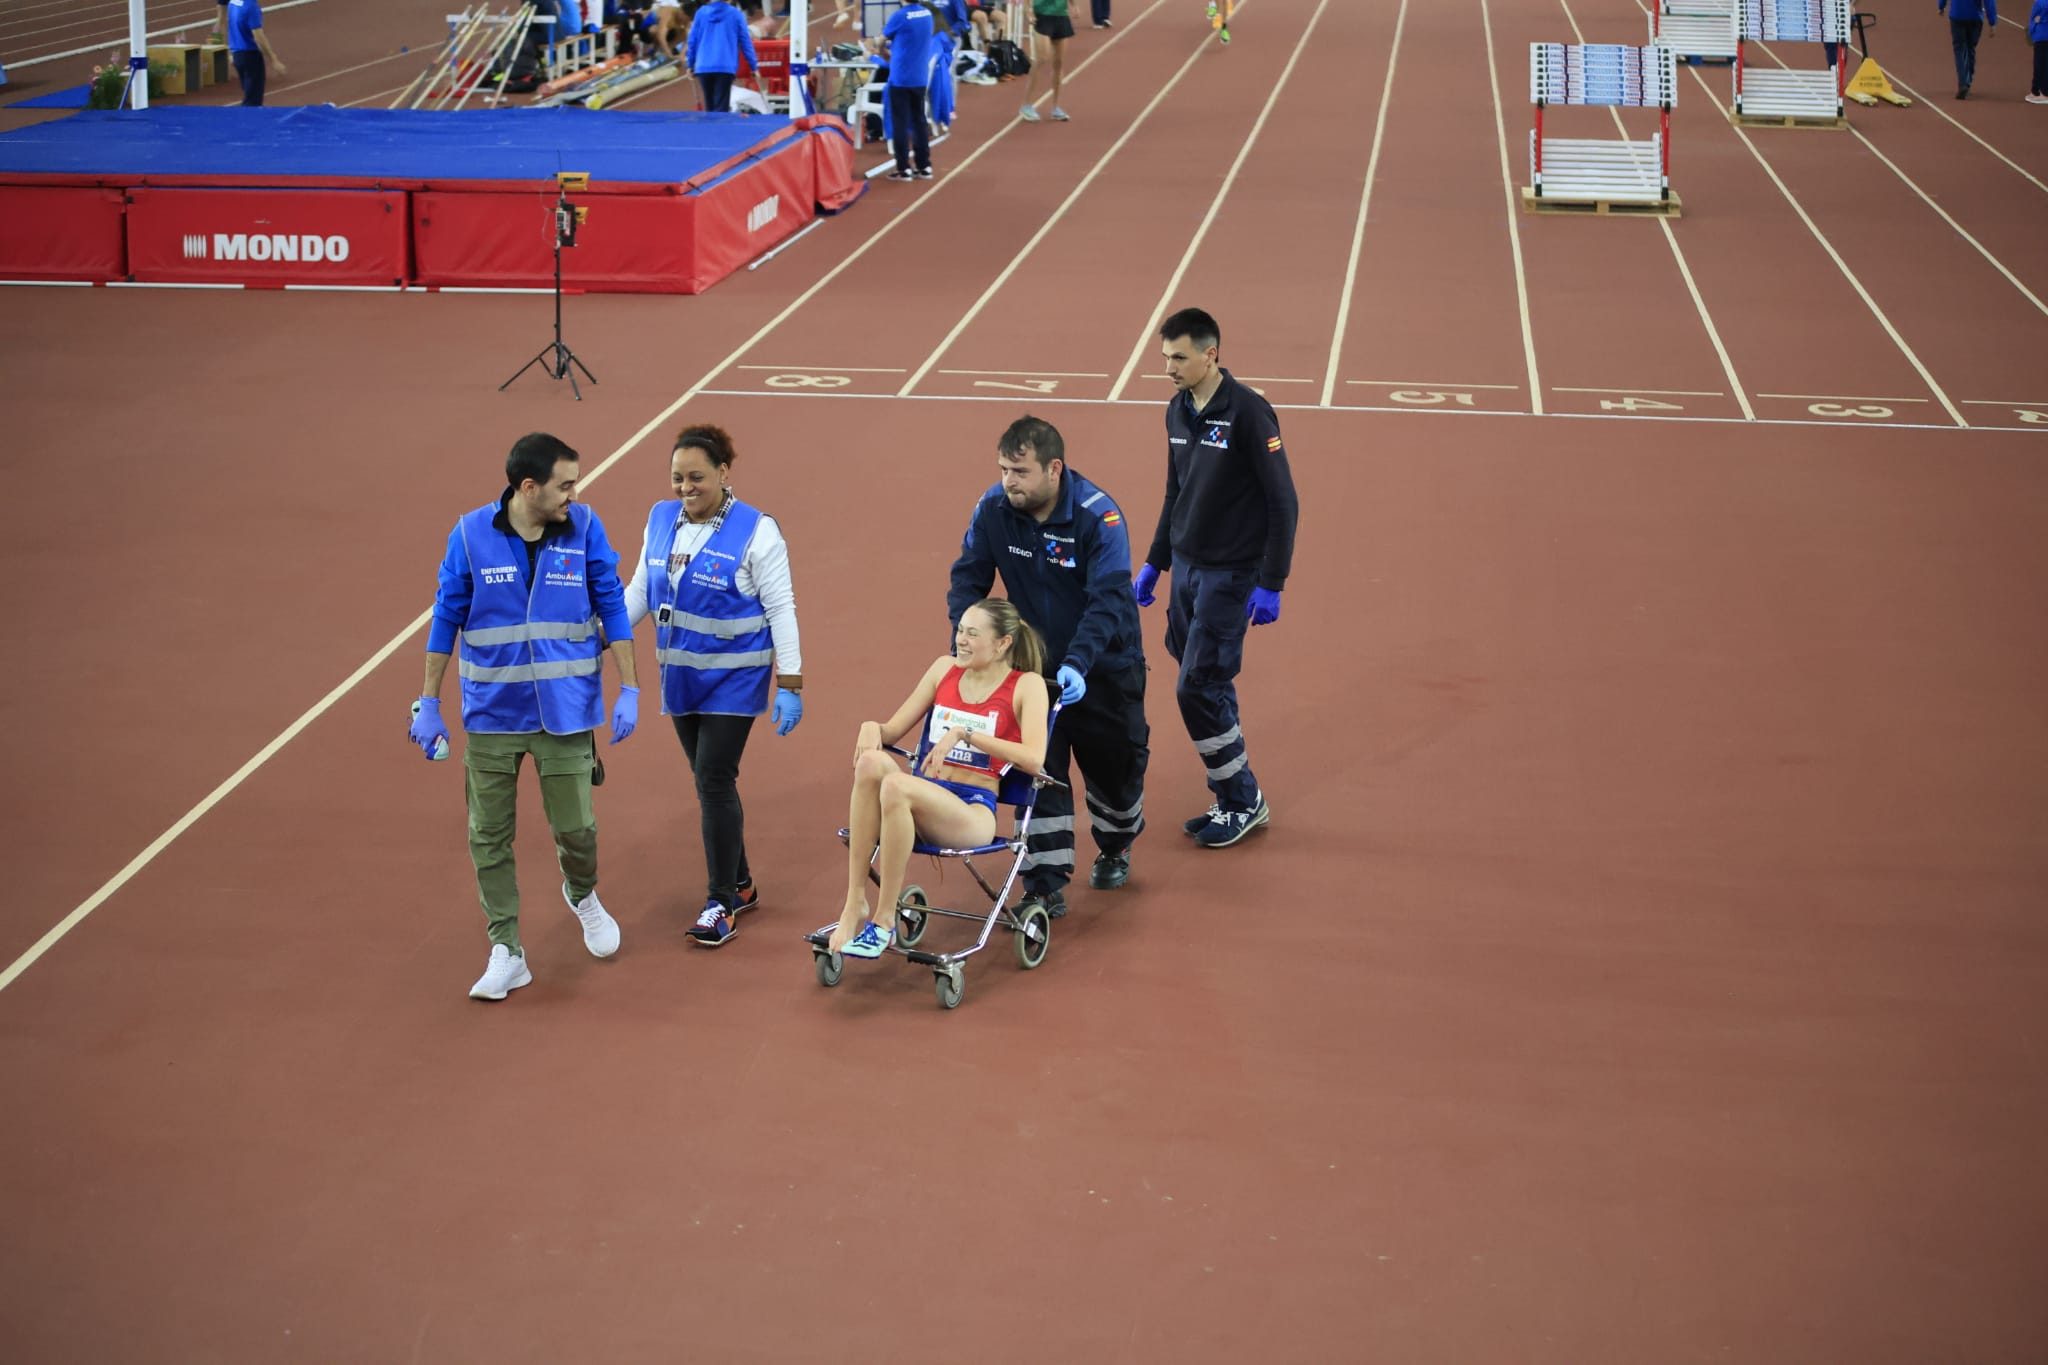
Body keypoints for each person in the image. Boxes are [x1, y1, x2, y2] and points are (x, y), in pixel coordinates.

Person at [409, 433, 642, 1001]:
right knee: (488, 836)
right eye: (565, 484)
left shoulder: (585, 527)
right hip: (492, 716)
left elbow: (610, 602)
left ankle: (581, 893)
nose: (574, 493)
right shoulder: (468, 536)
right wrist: (430, 702)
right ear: (528, 487)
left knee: (577, 830)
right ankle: (506, 949)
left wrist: (630, 685)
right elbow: (447, 618)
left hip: (566, 715)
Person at [947, 415, 1148, 920]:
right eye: (1003, 470)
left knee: (1116, 777)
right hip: (1033, 674)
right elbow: (968, 580)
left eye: (1020, 472)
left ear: (1054, 469)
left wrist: (1079, 662)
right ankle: (1043, 883)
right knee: (1040, 771)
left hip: (1104, 670)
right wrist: (967, 643)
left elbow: (1108, 601)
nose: (1008, 482)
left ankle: (1117, 842)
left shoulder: (1098, 518)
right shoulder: (992, 510)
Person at [622, 425, 804, 948]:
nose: (685, 487)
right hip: (680, 678)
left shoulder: (757, 533)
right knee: (708, 781)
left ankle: (720, 902)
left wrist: (789, 682)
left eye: (697, 477)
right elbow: (640, 589)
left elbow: (781, 609)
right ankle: (742, 885)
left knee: (714, 781)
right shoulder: (660, 520)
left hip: (734, 679)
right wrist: (601, 634)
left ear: (724, 473)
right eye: (677, 477)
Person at [1134, 307, 1298, 849]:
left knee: (1196, 687)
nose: (1169, 368)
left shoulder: (1250, 413)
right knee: (1207, 679)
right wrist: (1156, 562)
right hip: (1186, 571)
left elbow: (1283, 501)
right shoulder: (1176, 411)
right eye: (1165, 358)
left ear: (1211, 354)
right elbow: (1172, 492)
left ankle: (1241, 798)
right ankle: (1236, 796)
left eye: (1179, 357)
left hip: (1231, 576)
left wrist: (1272, 581)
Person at [828, 600, 1051, 959]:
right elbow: (892, 730)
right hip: (923, 798)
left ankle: (884, 922)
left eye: (972, 634)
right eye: (960, 630)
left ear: (1002, 644)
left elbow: (1034, 759)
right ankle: (855, 902)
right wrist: (870, 727)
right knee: (871, 762)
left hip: (971, 811)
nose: (960, 639)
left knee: (897, 785)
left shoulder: (1027, 686)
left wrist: (965, 734)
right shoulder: (944, 669)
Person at [881, 0, 939, 180]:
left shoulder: (900, 16)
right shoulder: (927, 14)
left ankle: (903, 167)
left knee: (900, 123)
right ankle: (924, 165)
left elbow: (881, 40)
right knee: (919, 121)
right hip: (919, 77)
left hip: (901, 78)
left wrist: (877, 50)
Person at [686, 0, 756, 110]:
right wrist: (754, 66)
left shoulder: (701, 13)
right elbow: (745, 42)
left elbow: (692, 41)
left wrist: (690, 63)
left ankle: (711, 125)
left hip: (704, 66)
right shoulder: (736, 14)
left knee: (710, 107)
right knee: (721, 108)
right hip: (725, 65)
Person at [222, 0, 285, 106]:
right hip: (250, 57)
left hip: (237, 55)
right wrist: (274, 59)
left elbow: (229, 26)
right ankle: (243, 121)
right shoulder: (251, 7)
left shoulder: (233, 2)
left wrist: (230, 53)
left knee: (249, 95)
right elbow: (259, 37)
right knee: (253, 101)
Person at [1018, 0, 1071, 119]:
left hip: (1061, 16)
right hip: (1042, 16)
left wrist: (1074, 5)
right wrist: (1028, 13)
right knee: (1042, 58)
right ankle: (1026, 105)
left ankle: (1056, 107)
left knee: (1059, 62)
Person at [1937, 0, 1997, 98]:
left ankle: (1963, 82)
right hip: (1975, 17)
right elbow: (1989, 2)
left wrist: (1941, 6)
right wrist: (1992, 22)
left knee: (1960, 49)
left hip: (1957, 15)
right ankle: (1968, 80)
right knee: (1970, 48)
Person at [2028, 0, 2047, 102]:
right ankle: (2035, 91)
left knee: (2041, 65)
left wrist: (2035, 23)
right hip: (2041, 36)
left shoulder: (2041, 3)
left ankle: (2044, 93)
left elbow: (2034, 18)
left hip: (2042, 37)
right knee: (2040, 64)